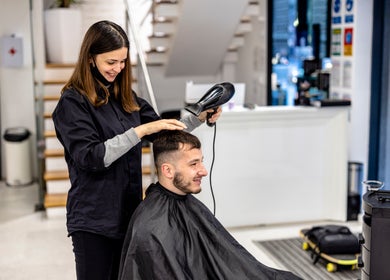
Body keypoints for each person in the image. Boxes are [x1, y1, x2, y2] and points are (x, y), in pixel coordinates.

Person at [51, 20, 221, 280]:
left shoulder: (123, 96)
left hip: (129, 213)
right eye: (111, 62)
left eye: (122, 62)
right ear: (90, 59)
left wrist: (198, 116)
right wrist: (139, 131)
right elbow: (91, 158)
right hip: (93, 221)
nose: (118, 69)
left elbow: (162, 131)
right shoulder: (72, 104)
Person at [118, 130, 302, 280]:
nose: (203, 171)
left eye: (202, 161)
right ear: (167, 170)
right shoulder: (152, 227)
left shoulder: (186, 202)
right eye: (193, 164)